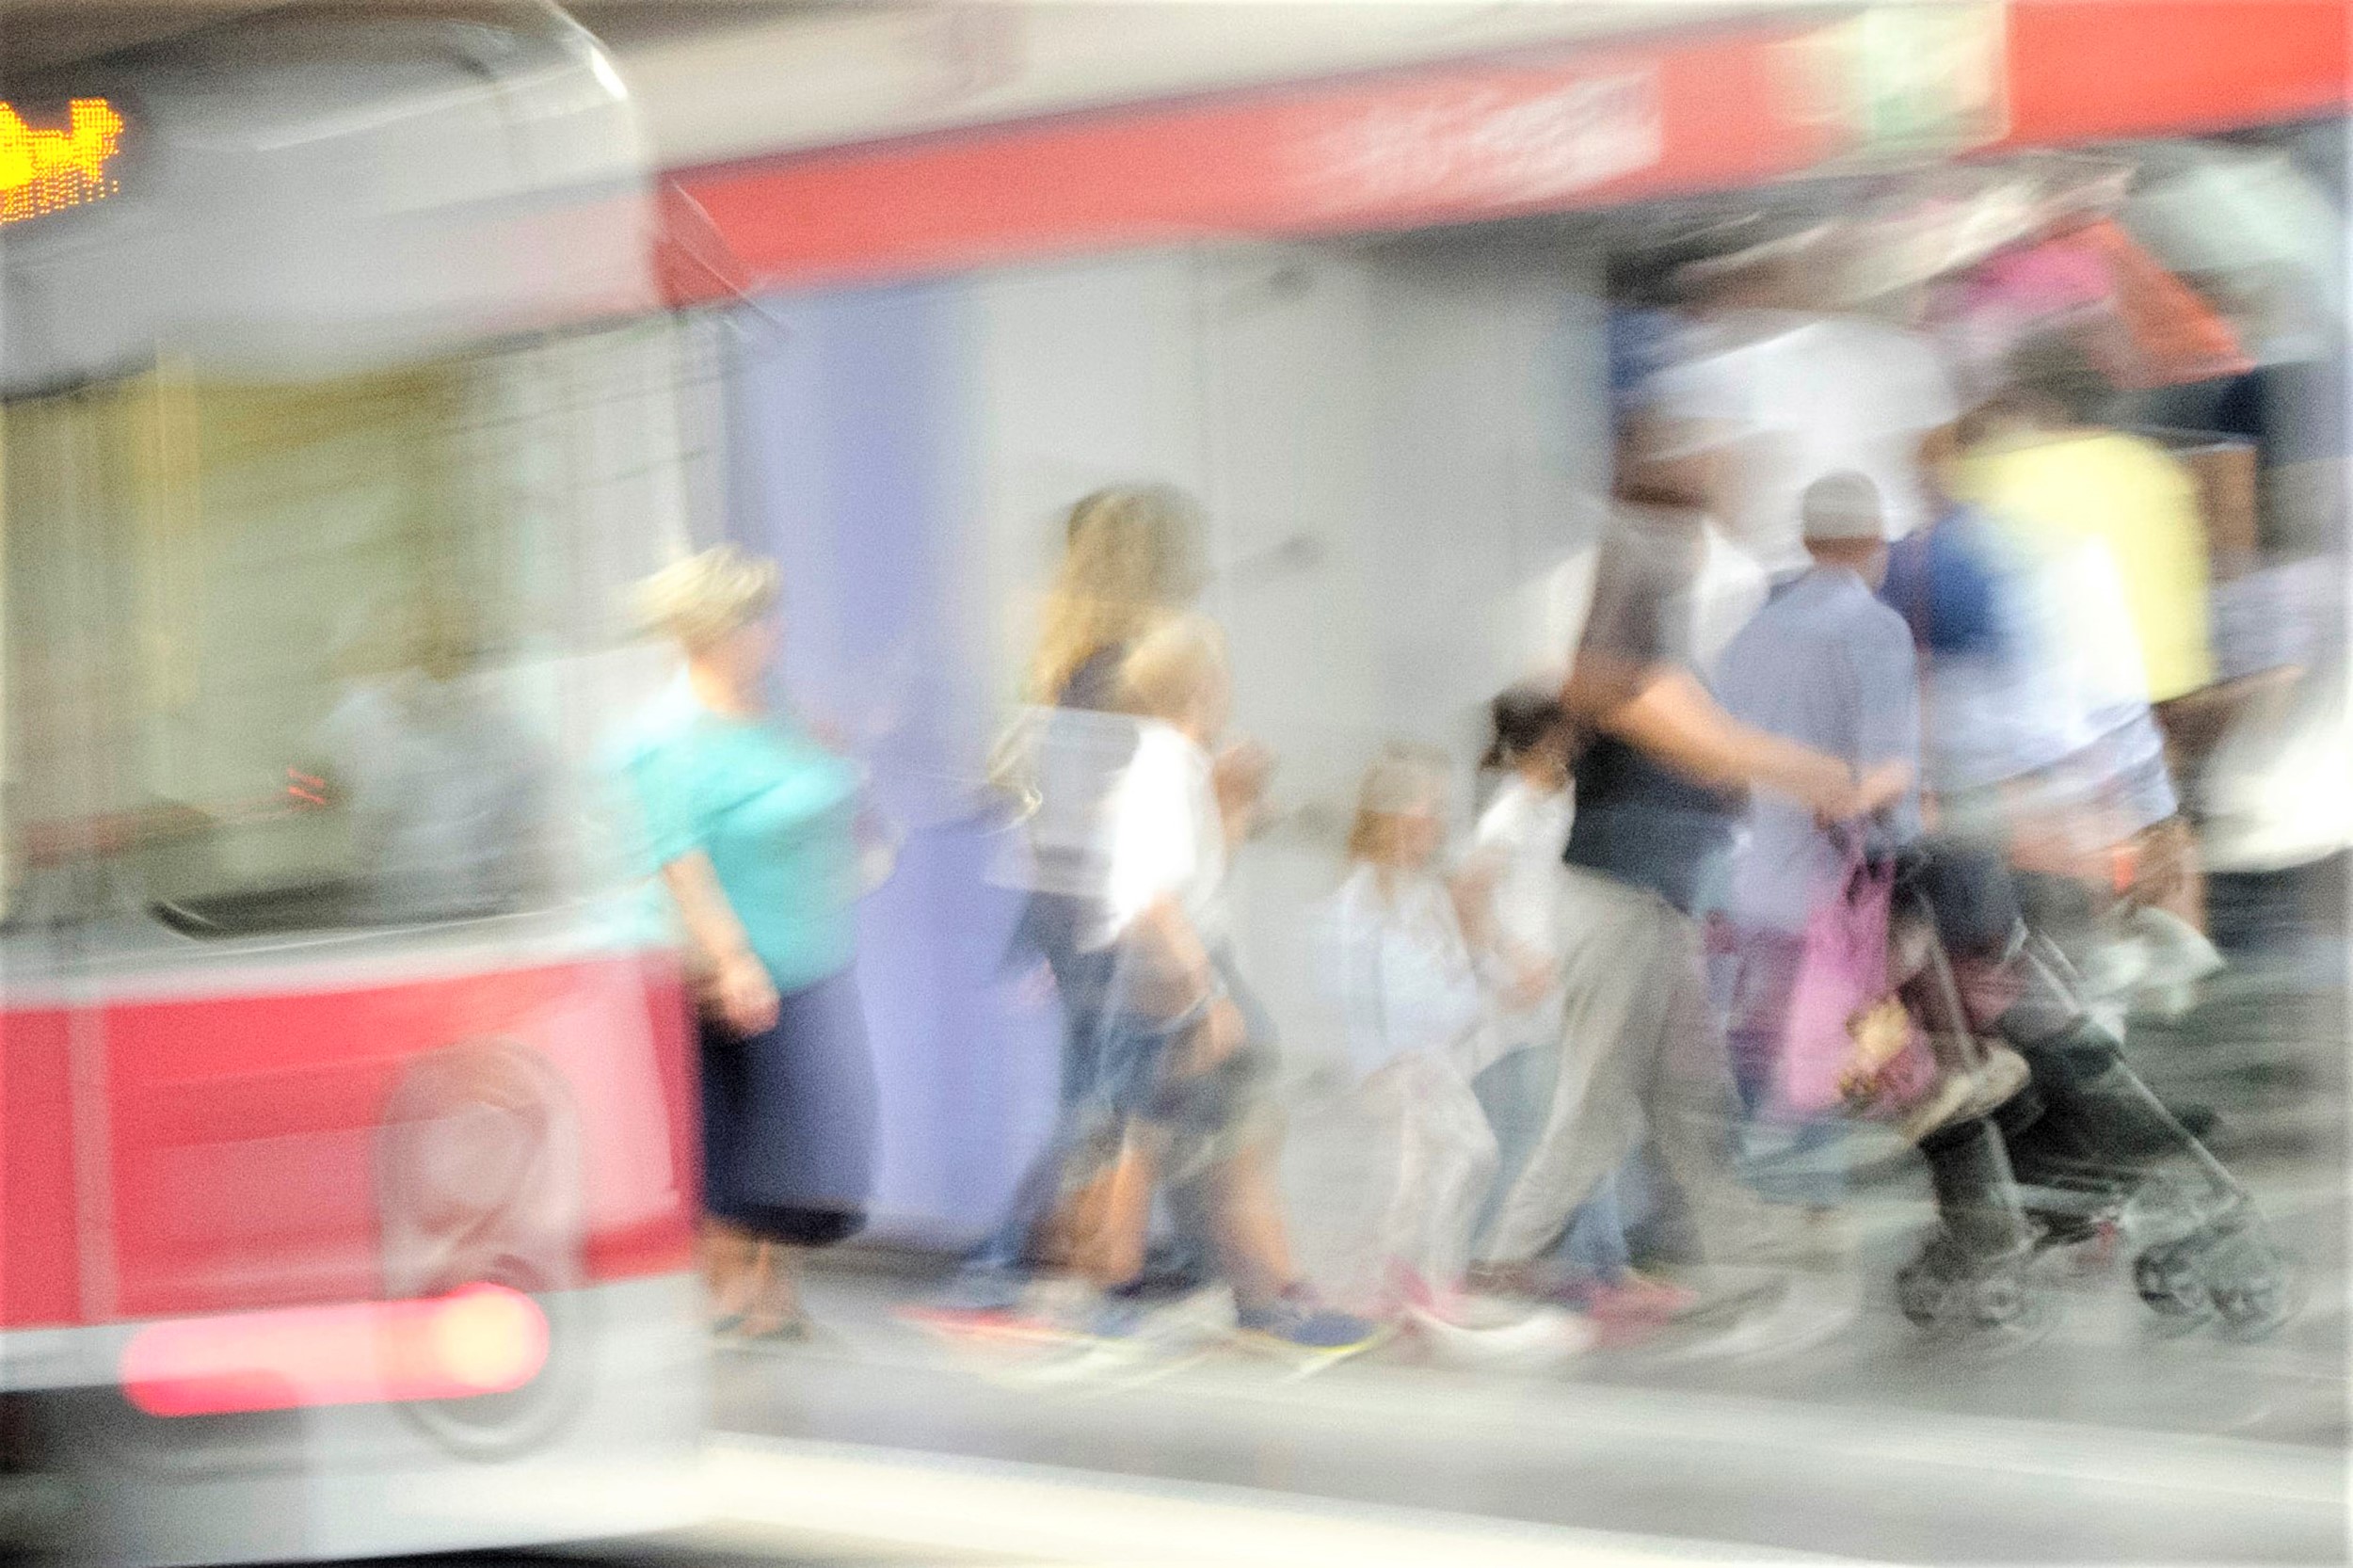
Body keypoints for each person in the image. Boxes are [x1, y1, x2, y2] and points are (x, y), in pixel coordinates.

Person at [1469, 414, 1909, 1304]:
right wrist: (1830, 775)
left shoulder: (1641, 668)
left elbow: (1724, 754)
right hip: (1618, 898)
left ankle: (1737, 1248)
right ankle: (1502, 1266)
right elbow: (1714, 751)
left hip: (1651, 898)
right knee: (1598, 1104)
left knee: (1689, 1093)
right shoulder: (1618, 679)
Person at [933, 485, 1219, 1320]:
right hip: (1109, 910)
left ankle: (1039, 1264)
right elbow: (1093, 799)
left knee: (1103, 1091)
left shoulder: (1077, 660)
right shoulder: (1121, 668)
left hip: (1074, 904)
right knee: (1108, 1095)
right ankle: (1036, 1268)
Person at [1084, 616, 1383, 1360]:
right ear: (1203, 686)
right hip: (1173, 975)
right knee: (1207, 1136)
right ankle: (1260, 1298)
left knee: (1184, 1136)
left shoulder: (1180, 768)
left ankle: (1223, 1295)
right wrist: (1204, 999)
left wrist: (1236, 805)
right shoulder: (1160, 772)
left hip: (1180, 969)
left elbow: (1198, 880)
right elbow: (1152, 901)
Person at [618, 546, 878, 1342]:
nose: (777, 630)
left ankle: (770, 1293)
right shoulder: (667, 737)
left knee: (803, 1133)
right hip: (721, 967)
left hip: (806, 954)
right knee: (734, 1135)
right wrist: (730, 960)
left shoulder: (779, 710)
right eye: (761, 618)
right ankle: (724, 1294)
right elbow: (677, 856)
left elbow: (821, 795)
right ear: (716, 631)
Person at [1711, 472, 1924, 1214]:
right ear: (1875, 544)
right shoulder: (1876, 630)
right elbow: (1886, 766)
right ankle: (1811, 1191)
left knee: (1762, 1026)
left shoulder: (1752, 631)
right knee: (1828, 1029)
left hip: (1747, 868)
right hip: (1828, 879)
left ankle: (1730, 1172)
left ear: (1805, 542)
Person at [1464, 687, 1685, 1320]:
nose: (1576, 747)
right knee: (1560, 1126)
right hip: (1528, 996)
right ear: (1543, 741)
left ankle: (1598, 1267)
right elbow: (1469, 896)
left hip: (1576, 977)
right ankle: (1565, 1267)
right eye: (1565, 736)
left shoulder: (1566, 801)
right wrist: (1508, 962)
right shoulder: (1507, 812)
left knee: (1586, 1120)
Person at [1321, 746, 1499, 1316]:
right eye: (1431, 807)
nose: (1440, 822)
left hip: (1432, 1059)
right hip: (1399, 1064)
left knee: (1442, 1166)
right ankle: (1407, 1275)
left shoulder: (1425, 895)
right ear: (1397, 814)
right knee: (1434, 1166)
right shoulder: (1362, 898)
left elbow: (1454, 983)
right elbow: (1352, 987)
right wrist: (1372, 1063)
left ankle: (1409, 1273)